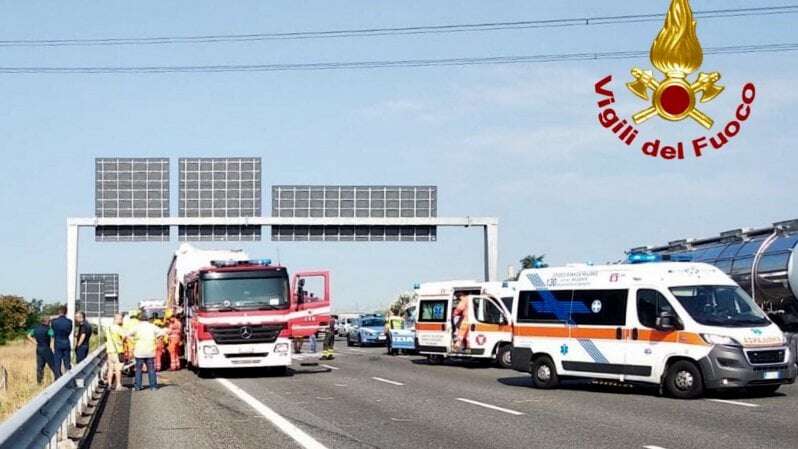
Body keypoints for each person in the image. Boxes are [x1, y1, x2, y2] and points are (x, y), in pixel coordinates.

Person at [128, 311, 167, 391]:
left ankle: (138, 386)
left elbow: (127, 334)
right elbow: (162, 333)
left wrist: (133, 342)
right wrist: (157, 340)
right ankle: (153, 387)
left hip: (139, 352)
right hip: (150, 351)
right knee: (151, 369)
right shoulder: (152, 326)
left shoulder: (136, 327)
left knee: (138, 369)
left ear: (139, 319)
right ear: (147, 319)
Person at [27, 316, 56, 384]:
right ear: (47, 322)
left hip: (39, 349)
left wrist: (35, 342)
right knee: (53, 365)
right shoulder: (49, 329)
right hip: (46, 348)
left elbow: (28, 335)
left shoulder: (35, 329)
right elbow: (53, 336)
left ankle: (39, 382)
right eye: (49, 321)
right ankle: (58, 378)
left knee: (40, 366)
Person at [105, 313, 126, 391]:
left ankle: (109, 385)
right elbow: (126, 335)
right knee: (118, 369)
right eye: (120, 319)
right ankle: (118, 385)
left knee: (110, 369)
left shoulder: (108, 327)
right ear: (116, 319)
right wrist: (121, 341)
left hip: (109, 351)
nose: (121, 320)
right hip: (117, 351)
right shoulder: (118, 328)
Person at [50, 306, 73, 377]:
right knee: (67, 361)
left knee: (57, 361)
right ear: (66, 312)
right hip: (66, 342)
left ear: (58, 312)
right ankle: (68, 376)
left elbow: (52, 333)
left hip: (57, 343)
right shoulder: (69, 322)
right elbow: (69, 332)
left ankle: (58, 376)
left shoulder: (54, 322)